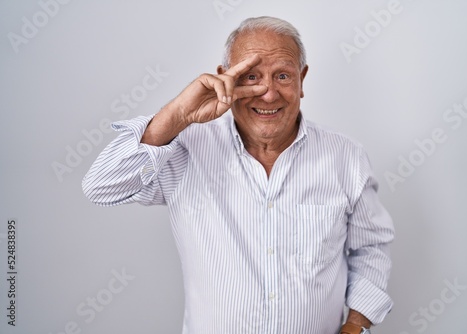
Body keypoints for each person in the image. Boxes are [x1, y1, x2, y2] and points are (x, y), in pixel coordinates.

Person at [82, 16, 394, 334]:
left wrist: (355, 325)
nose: (268, 94)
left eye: (283, 76)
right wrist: (178, 114)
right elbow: (100, 186)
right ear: (224, 79)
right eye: (250, 77)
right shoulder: (185, 148)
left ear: (302, 80)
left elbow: (370, 248)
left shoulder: (346, 156)